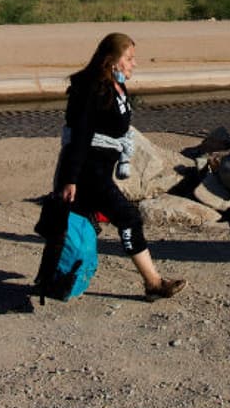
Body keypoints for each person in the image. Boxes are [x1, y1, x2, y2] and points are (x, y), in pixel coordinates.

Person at [54, 32, 186, 301]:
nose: (133, 63)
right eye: (129, 58)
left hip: (101, 169)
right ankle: (153, 282)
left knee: (79, 226)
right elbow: (80, 137)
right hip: (89, 172)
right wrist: (70, 179)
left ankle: (56, 280)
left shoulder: (116, 86)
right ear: (111, 60)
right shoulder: (93, 89)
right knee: (128, 218)